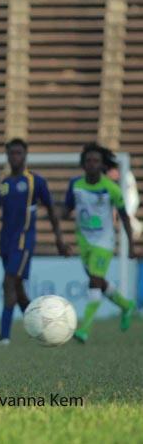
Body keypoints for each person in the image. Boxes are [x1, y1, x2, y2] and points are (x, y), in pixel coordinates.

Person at [0, 139, 70, 346]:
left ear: (26, 155)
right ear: (7, 155)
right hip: (5, 241)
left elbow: (52, 212)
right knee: (18, 290)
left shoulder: (35, 181)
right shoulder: (0, 182)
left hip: (24, 240)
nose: (15, 157)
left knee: (9, 282)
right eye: (12, 153)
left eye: (19, 153)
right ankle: (43, 327)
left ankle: (4, 336)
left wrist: (59, 240)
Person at [64, 143, 137, 343]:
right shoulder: (75, 185)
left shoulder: (111, 188)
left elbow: (124, 217)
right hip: (84, 241)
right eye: (88, 160)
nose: (92, 164)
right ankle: (126, 305)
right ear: (83, 164)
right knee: (99, 282)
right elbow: (66, 208)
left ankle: (84, 329)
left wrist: (131, 245)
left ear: (102, 164)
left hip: (104, 242)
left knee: (94, 281)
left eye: (96, 161)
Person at [107, 164, 142, 240]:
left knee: (127, 216)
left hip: (131, 198)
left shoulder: (126, 174)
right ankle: (137, 228)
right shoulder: (125, 174)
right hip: (130, 198)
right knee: (128, 216)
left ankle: (138, 227)